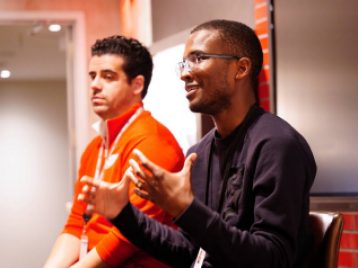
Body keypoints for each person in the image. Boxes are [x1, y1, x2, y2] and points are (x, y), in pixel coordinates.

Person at [79, 20, 316, 268]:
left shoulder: (277, 145)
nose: (184, 73)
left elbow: (273, 259)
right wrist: (124, 215)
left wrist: (186, 208)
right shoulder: (199, 155)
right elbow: (190, 251)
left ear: (241, 68)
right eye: (184, 62)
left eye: (199, 58)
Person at [44, 35, 184, 268]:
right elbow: (77, 222)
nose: (95, 85)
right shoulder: (95, 147)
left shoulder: (152, 142)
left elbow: (131, 236)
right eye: (93, 76)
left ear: (137, 85)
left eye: (108, 77)